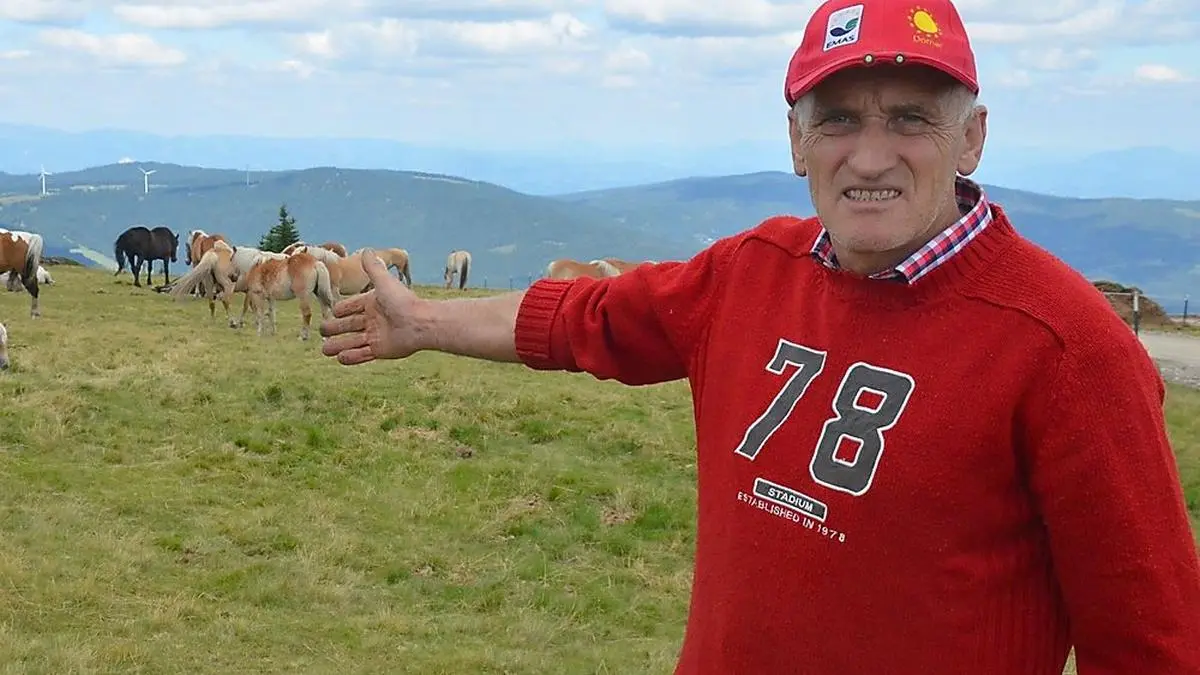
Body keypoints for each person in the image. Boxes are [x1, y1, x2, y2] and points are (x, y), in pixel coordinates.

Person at [320, 0, 1200, 671]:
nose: (868, 154)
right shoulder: (751, 271)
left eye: (909, 118)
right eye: (839, 119)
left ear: (972, 138)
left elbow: (1155, 641)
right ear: (795, 141)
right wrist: (425, 320)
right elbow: (586, 320)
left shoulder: (1066, 347)